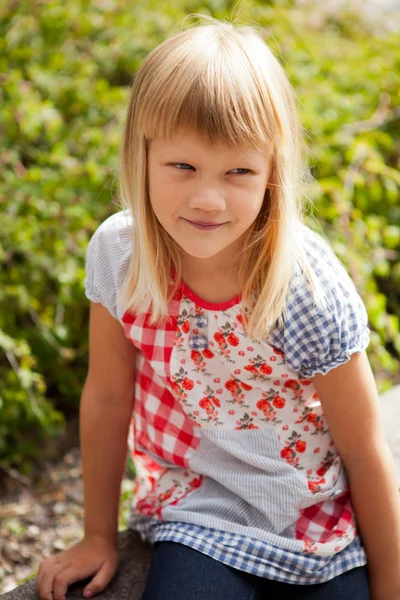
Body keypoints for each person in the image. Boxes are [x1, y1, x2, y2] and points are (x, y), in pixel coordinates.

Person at [36, 17, 400, 600]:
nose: (208, 199)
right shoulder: (120, 256)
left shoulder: (304, 289)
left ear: (271, 175)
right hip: (197, 510)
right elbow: (106, 396)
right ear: (142, 156)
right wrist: (97, 536)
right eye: (182, 167)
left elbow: (364, 448)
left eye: (238, 172)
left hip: (315, 523)